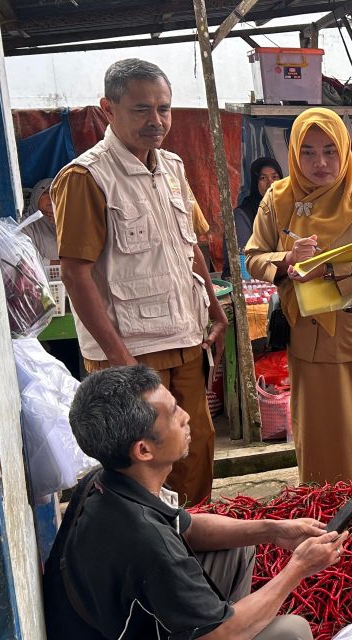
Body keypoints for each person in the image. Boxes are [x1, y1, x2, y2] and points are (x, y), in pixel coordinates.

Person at [43, 365, 341, 640]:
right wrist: (298, 569)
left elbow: (187, 528)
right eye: (173, 413)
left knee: (237, 548)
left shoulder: (104, 481)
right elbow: (218, 635)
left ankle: (218, 618)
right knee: (291, 631)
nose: (186, 416)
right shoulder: (148, 542)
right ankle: (225, 622)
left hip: (106, 619)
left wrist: (272, 530)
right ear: (143, 450)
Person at [53, 58, 225, 507]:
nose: (157, 121)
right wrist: (123, 365)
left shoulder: (173, 167)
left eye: (164, 109)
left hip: (185, 340)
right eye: (141, 109)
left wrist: (215, 306)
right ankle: (156, 554)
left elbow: (189, 246)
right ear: (107, 108)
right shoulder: (86, 177)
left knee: (195, 449)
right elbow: (75, 273)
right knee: (142, 467)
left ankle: (195, 548)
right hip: (128, 353)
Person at [244, 109, 352, 485]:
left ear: (345, 151)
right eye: (308, 152)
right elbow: (253, 257)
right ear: (294, 154)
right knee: (315, 430)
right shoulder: (277, 198)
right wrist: (287, 260)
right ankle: (319, 508)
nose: (321, 163)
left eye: (330, 151)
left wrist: (327, 271)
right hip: (307, 335)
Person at [234, 157, 283, 250]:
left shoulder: (289, 207)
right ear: (255, 183)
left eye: (275, 177)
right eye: (263, 178)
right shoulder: (242, 215)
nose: (270, 183)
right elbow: (242, 257)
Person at [21, 178, 59, 262]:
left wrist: (61, 227)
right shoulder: (25, 225)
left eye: (55, 193)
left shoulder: (72, 223)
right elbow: (25, 260)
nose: (50, 198)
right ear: (36, 197)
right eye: (45, 193)